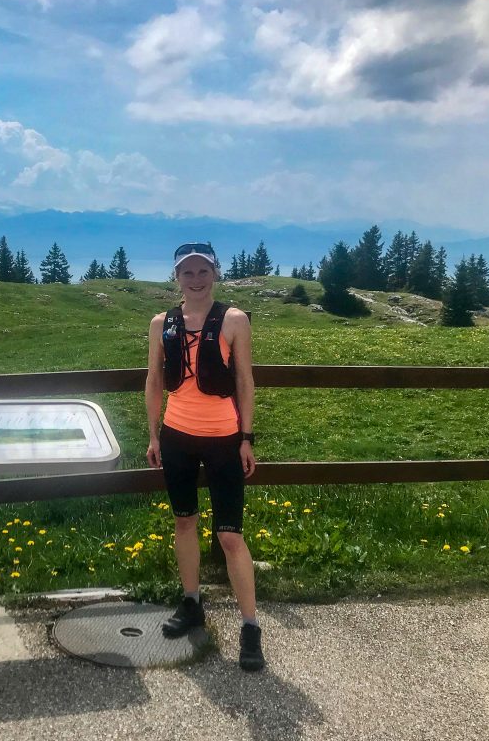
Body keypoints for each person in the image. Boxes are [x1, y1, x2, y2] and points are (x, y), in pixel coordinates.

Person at [145, 241, 265, 672]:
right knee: (184, 521)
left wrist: (246, 438)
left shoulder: (234, 320)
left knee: (230, 535)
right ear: (176, 277)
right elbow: (154, 381)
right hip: (177, 436)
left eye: (202, 272)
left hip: (224, 440)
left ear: (215, 273)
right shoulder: (162, 322)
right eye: (187, 273)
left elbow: (246, 382)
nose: (195, 280)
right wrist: (154, 435)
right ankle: (192, 602)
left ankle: (250, 626)